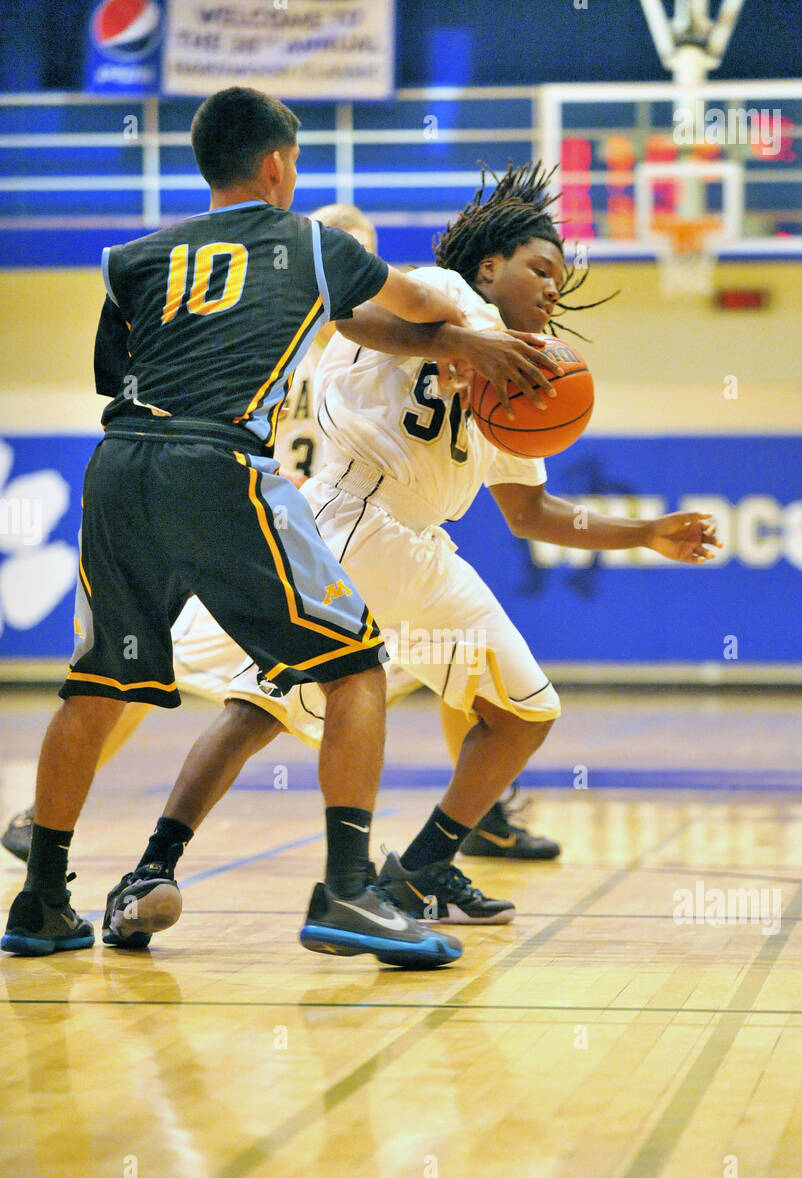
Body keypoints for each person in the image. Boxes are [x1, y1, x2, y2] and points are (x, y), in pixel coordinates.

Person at [93, 160, 720, 940]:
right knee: (288, 707)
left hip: (403, 545)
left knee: (476, 712)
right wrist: (457, 339)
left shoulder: (524, 370)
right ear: (488, 267)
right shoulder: (446, 292)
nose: (552, 287)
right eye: (539, 269)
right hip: (353, 518)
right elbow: (345, 310)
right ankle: (332, 880)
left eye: (560, 277)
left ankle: (387, 867)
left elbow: (527, 511)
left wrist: (644, 533)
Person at [0, 90, 552, 967]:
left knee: (98, 683)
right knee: (354, 665)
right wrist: (478, 346)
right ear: (276, 165)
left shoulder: (132, 258)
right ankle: (347, 892)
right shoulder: (308, 242)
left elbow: (121, 367)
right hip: (219, 468)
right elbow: (410, 306)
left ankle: (41, 902)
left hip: (118, 468)